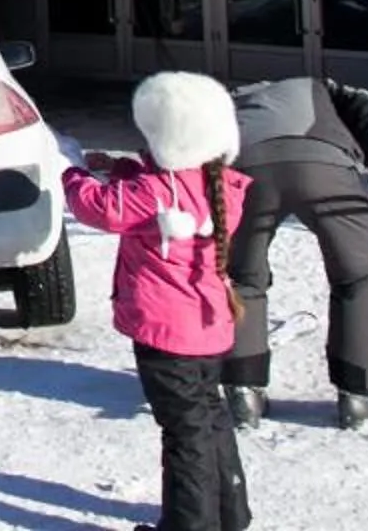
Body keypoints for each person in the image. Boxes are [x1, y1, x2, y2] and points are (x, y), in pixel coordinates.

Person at [63, 72, 252, 531]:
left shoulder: (157, 192)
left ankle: (190, 524)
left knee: (183, 435)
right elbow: (151, 187)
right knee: (210, 418)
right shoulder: (217, 181)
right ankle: (231, 514)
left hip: (166, 335)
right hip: (208, 328)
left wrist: (68, 169)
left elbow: (100, 207)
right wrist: (120, 166)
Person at [225, 75, 368, 429]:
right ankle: (364, 394)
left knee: (242, 277)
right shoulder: (329, 89)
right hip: (325, 167)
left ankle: (242, 393)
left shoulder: (229, 102)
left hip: (247, 172)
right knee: (359, 275)